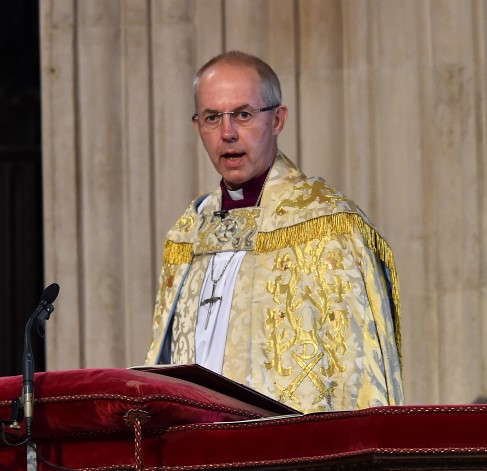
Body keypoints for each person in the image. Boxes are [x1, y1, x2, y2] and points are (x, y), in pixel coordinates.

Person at [145, 51, 403, 412]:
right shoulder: (189, 234)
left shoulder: (325, 224)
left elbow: (356, 375)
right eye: (212, 117)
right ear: (196, 126)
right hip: (196, 451)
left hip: (288, 453)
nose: (228, 133)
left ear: (278, 119)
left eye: (243, 115)